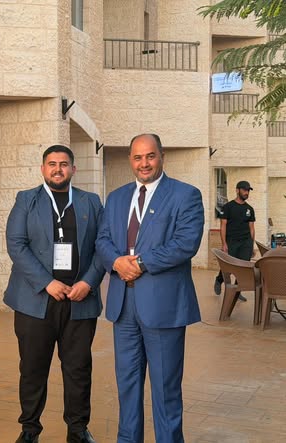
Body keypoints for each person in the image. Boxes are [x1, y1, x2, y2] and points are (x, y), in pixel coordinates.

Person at [96, 134, 204, 443]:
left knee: (165, 388)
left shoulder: (185, 195)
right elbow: (102, 239)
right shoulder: (116, 198)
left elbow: (185, 243)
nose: (144, 163)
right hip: (123, 306)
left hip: (163, 306)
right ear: (131, 160)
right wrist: (117, 262)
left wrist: (140, 263)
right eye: (137, 157)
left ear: (161, 156)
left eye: (150, 156)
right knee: (127, 385)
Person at [4, 145, 104, 443]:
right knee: (33, 368)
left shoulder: (90, 202)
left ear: (73, 169)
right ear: (43, 169)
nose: (57, 169)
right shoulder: (26, 200)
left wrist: (88, 282)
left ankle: (78, 429)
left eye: (63, 164)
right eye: (52, 164)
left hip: (79, 299)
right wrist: (47, 282)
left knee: (78, 369)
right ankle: (30, 429)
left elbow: (104, 245)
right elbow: (16, 244)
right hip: (35, 300)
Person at [213, 180, 255, 301]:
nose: (247, 193)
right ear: (237, 190)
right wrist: (224, 244)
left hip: (246, 242)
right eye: (244, 190)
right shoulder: (228, 207)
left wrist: (251, 245)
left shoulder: (249, 209)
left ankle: (237, 291)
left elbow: (252, 228)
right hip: (232, 241)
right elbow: (223, 226)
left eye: (248, 190)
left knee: (243, 268)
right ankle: (219, 279)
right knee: (228, 266)